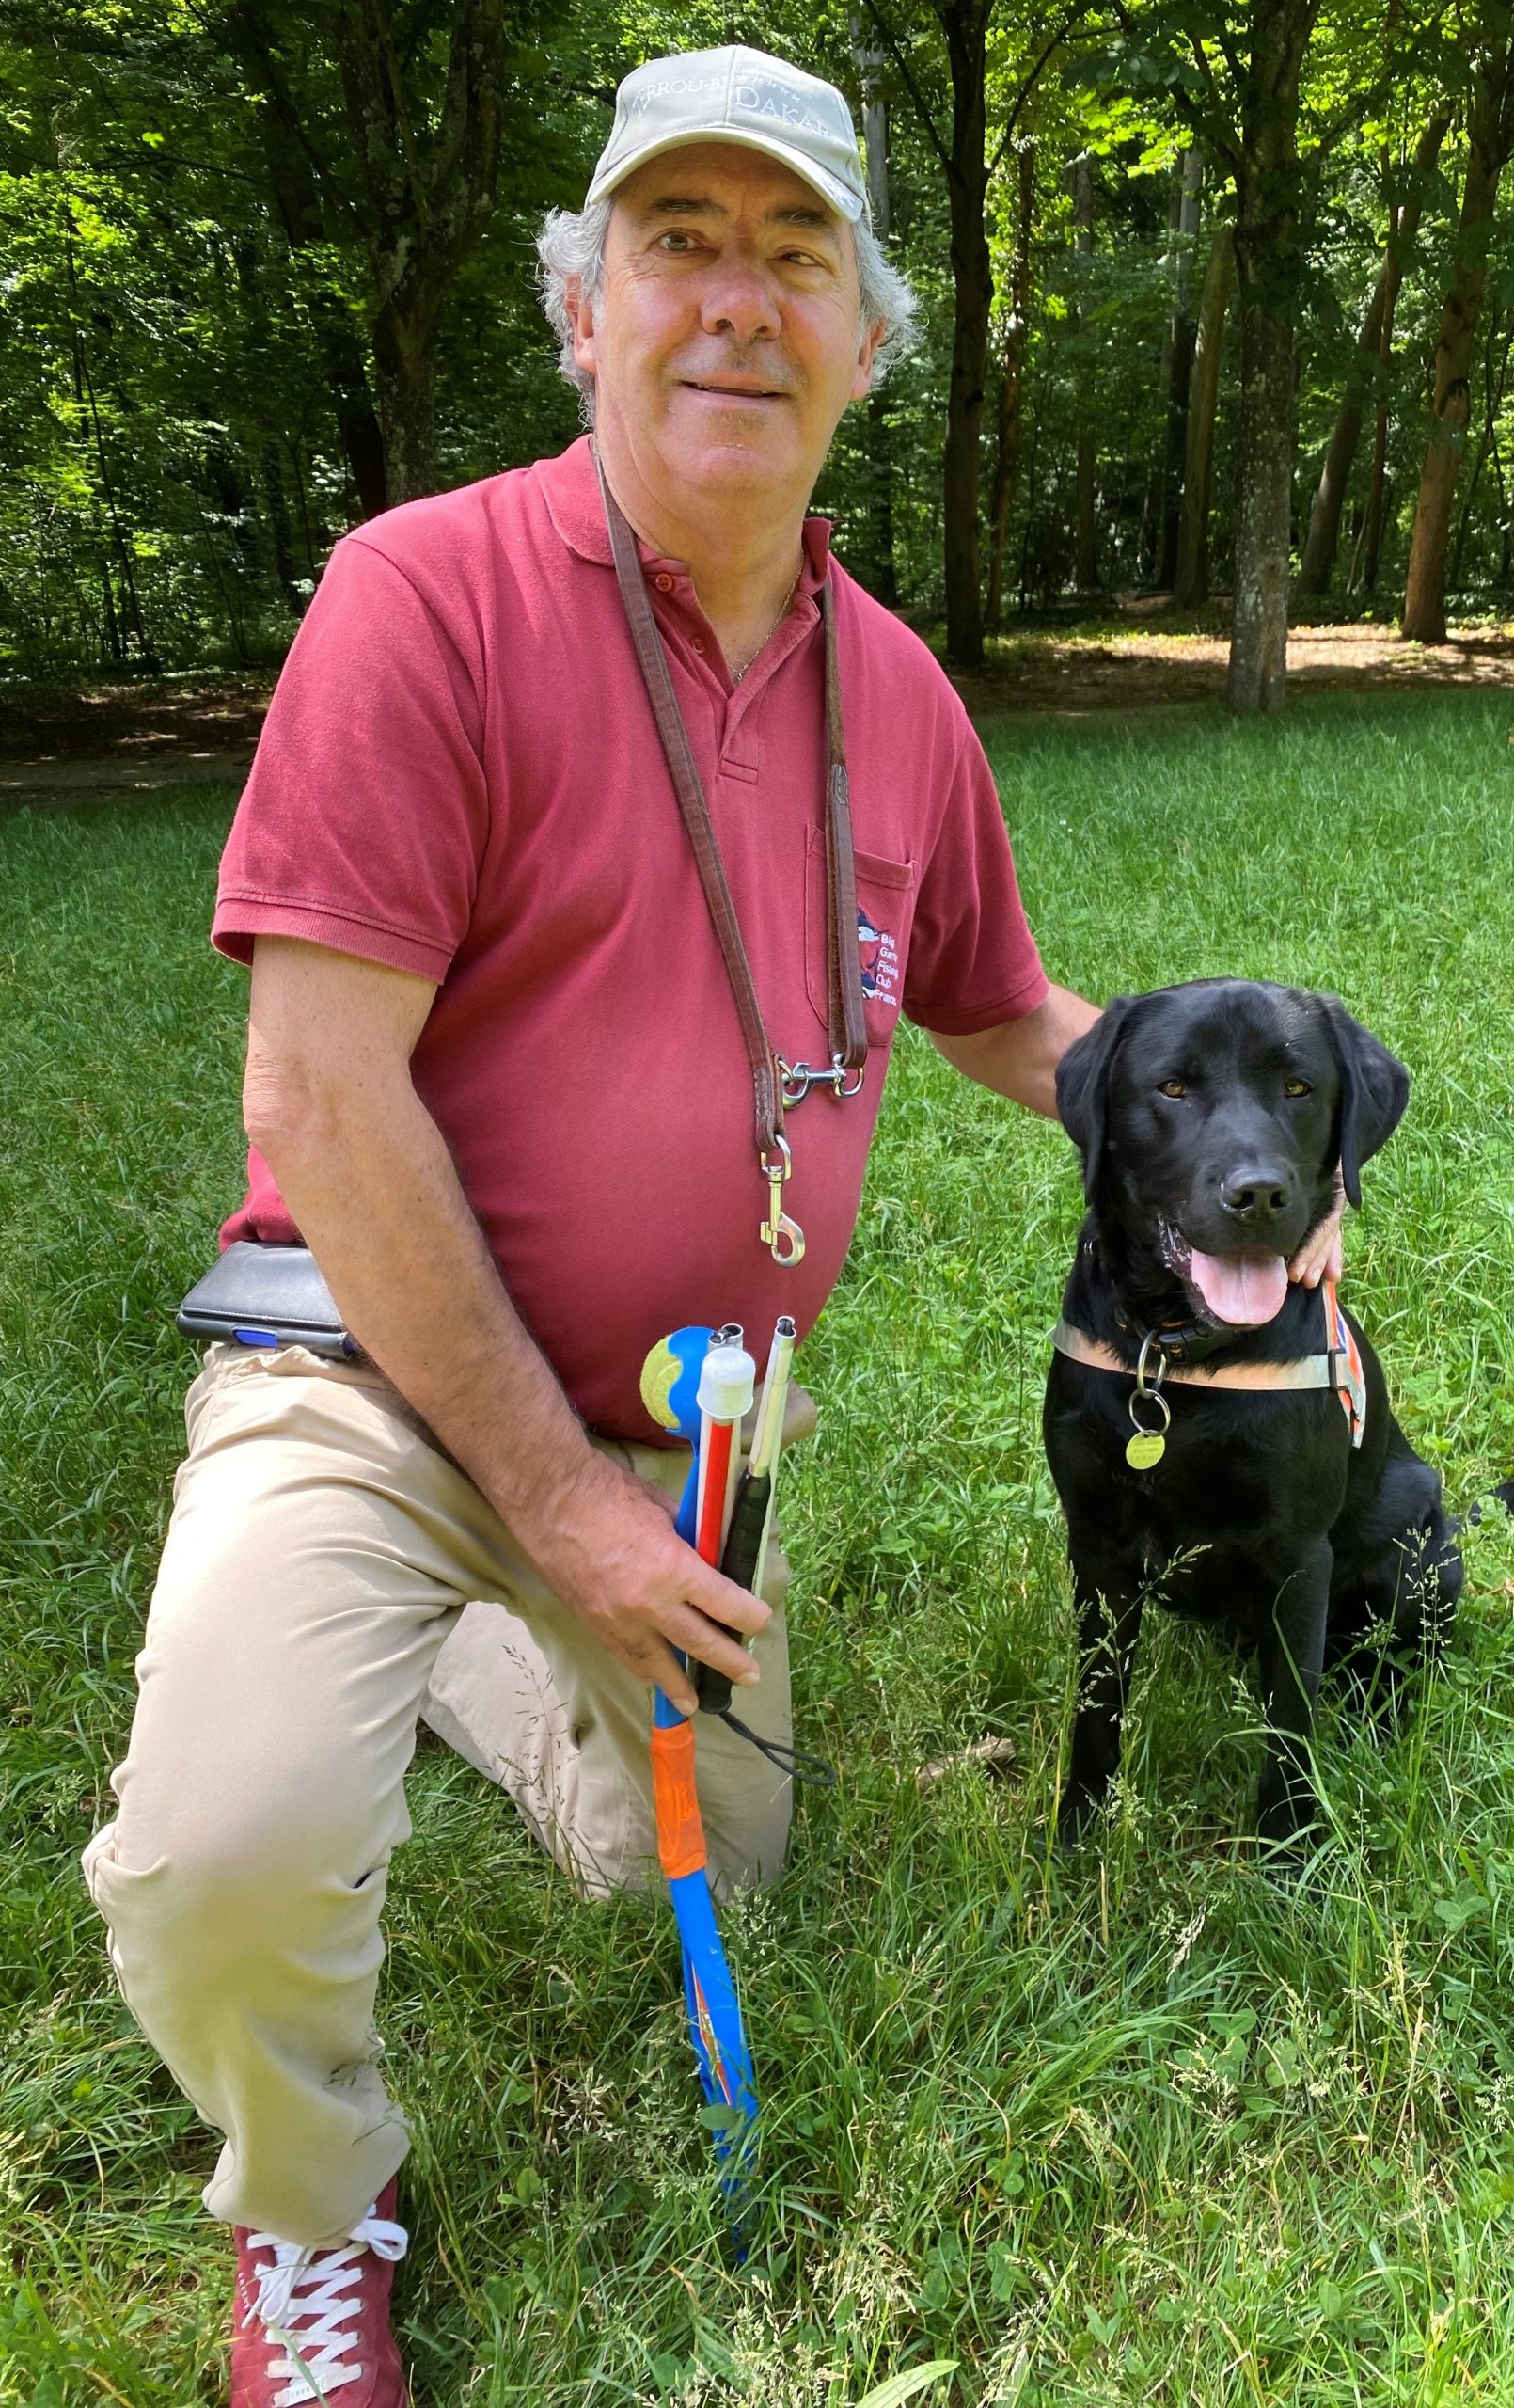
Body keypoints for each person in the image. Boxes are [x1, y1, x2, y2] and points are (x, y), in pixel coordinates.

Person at [81, 46, 1339, 2404]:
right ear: (586, 309)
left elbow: (1010, 1016)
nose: (738, 306)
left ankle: (472, 1653)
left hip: (694, 1425)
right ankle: (315, 2215)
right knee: (221, 1860)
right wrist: (543, 1501)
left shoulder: (906, 702)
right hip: (361, 1374)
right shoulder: (419, 601)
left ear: (869, 340)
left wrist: (1240, 1188)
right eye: (682, 245)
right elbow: (318, 1098)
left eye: (798, 258)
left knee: (719, 1862)